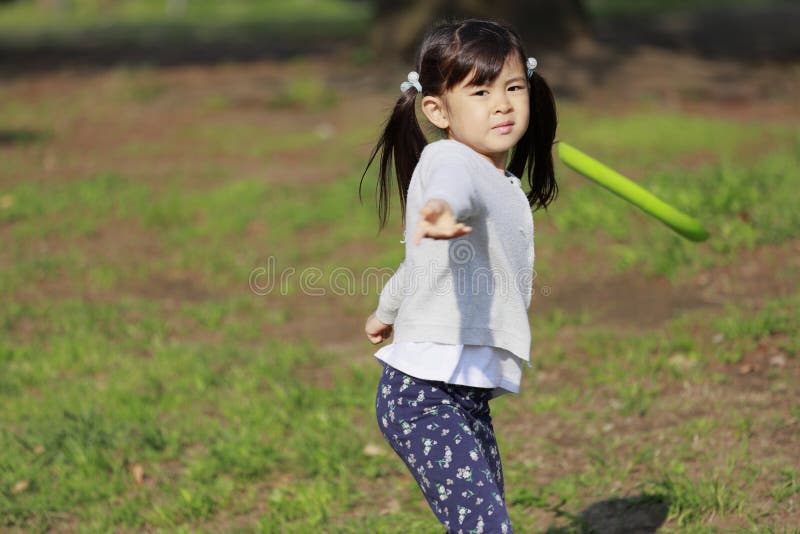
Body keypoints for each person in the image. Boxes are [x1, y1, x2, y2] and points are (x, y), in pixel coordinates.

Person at [360, 18, 558, 533]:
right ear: (437, 110)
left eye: (513, 87)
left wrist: (385, 311)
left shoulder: (503, 181)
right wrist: (443, 207)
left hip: (466, 395)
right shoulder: (450, 159)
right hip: (423, 397)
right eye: (481, 91)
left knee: (482, 522)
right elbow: (452, 184)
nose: (502, 104)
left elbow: (419, 266)